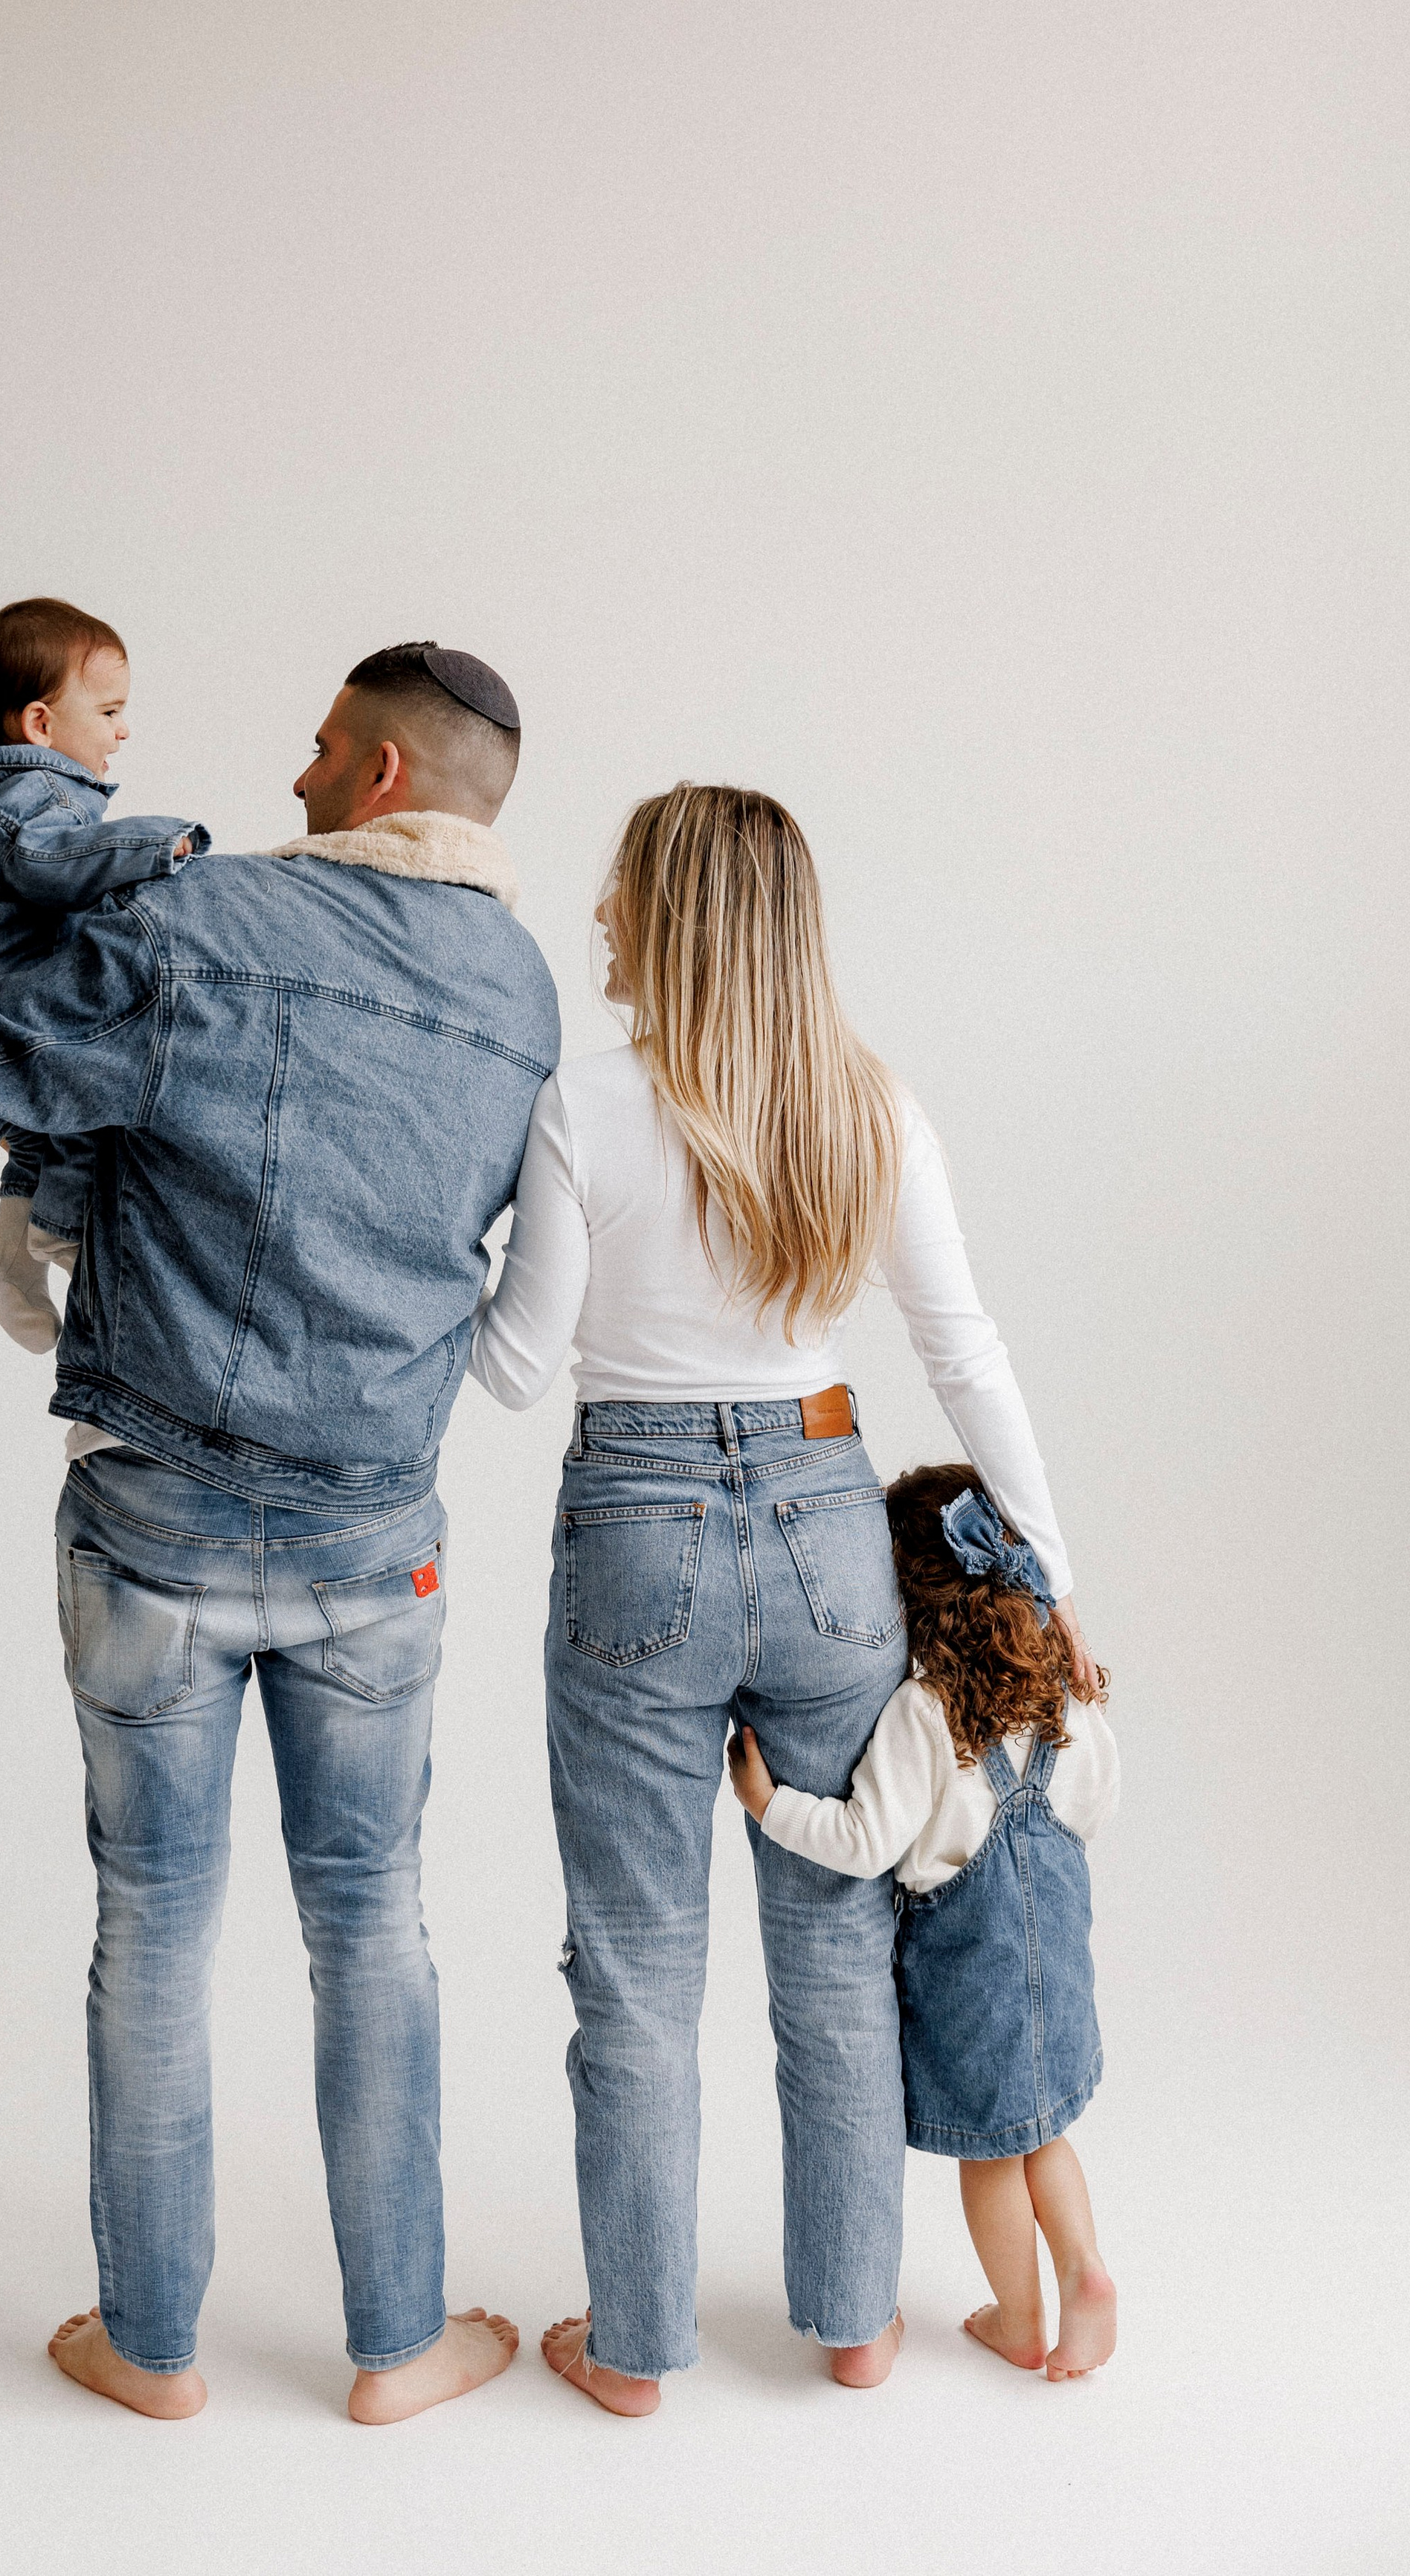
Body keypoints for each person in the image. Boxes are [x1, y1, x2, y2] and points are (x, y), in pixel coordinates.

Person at [0, 642, 560, 2424]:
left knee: (155, 1931)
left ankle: (154, 2344)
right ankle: (399, 2340)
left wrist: (16, 879)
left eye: (318, 745)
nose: (289, 772)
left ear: (369, 771)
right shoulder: (521, 993)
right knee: (376, 1925)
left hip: (154, 1515)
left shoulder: (213, 919)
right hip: (376, 1537)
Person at [469, 781, 1095, 2415]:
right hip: (827, 1525)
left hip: (634, 1523)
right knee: (831, 1944)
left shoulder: (579, 1104)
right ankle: (854, 2325)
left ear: (669, 919)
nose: (599, 917)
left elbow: (520, 1369)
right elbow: (961, 1349)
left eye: (617, 896)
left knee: (632, 1961)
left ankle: (630, 2350)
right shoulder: (866, 1106)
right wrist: (1052, 1571)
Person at [728, 1461, 1118, 2380]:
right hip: (1058, 1958)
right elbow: (1096, 1799)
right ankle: (1085, 2269)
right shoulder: (1061, 1683)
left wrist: (769, 1803)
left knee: (988, 2156)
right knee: (1044, 2135)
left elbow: (865, 1840)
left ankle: (1019, 2318)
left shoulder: (921, 1712)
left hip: (968, 1982)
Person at [0, 596, 205, 1350]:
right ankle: (61, 1233)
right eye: (109, 710)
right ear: (41, 725)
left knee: (43, 1135)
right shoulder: (42, 797)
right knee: (91, 1101)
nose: (124, 729)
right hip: (14, 1003)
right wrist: (155, 848)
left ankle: (11, 1260)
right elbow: (56, 863)